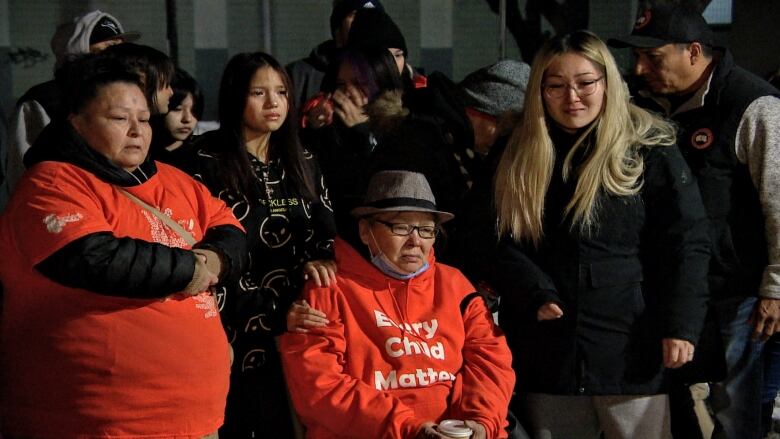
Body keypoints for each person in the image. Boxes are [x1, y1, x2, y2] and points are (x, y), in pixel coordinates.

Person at [0, 56, 245, 438]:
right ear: (76, 123)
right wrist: (194, 270)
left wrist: (217, 257)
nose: (136, 131)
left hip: (195, 419)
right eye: (119, 119)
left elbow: (231, 229)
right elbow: (93, 257)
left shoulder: (175, 180)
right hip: (97, 423)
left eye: (144, 119)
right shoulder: (51, 184)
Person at [492, 30, 710, 439]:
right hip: (547, 353)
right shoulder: (517, 152)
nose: (572, 96)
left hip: (630, 350)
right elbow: (493, 238)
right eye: (555, 85)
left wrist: (682, 325)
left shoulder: (649, 147)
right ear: (539, 90)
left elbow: (687, 241)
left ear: (607, 82)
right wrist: (533, 290)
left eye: (585, 83)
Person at [609, 5, 780, 438]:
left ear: (695, 52)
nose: (641, 68)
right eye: (638, 58)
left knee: (734, 410)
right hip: (666, 286)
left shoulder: (752, 103)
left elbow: (778, 200)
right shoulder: (646, 102)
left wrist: (775, 287)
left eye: (654, 58)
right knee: (675, 406)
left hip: (735, 292)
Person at [280, 170, 515, 439]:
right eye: (400, 227)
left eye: (426, 230)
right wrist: (410, 429)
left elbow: (491, 364)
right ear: (366, 231)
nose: (416, 241)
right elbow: (319, 388)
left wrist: (480, 423)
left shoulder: (456, 285)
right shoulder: (329, 287)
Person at [176, 51, 337, 438]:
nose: (273, 103)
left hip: (297, 321)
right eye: (259, 93)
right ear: (235, 97)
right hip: (228, 323)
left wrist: (322, 261)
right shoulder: (201, 160)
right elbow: (198, 247)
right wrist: (270, 312)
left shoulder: (303, 157)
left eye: (281, 92)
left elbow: (324, 230)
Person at [4, 10, 140, 201]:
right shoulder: (44, 99)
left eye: (120, 48)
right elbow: (22, 169)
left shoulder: (128, 97)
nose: (117, 56)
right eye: (109, 47)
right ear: (79, 49)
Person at [303, 47, 404, 246]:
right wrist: (313, 129)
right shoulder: (328, 127)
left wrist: (360, 131)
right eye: (341, 84)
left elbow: (385, 186)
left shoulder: (399, 127)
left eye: (359, 84)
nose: (347, 92)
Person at [286, 0, 384, 109]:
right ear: (338, 29)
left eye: (374, 15)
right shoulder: (298, 76)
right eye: (357, 15)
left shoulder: (395, 74)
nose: (367, 22)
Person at [151, 68, 204, 163]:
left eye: (194, 110)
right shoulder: (141, 159)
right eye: (177, 109)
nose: (187, 119)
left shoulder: (204, 157)